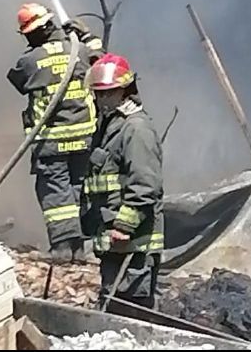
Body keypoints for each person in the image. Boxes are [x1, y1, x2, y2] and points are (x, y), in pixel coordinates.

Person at [7, 2, 103, 263]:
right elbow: (101, 61)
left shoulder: (30, 61)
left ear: (39, 31)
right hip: (84, 137)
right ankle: (79, 249)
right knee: (78, 189)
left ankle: (61, 249)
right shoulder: (80, 50)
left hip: (51, 140)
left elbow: (18, 80)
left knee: (55, 193)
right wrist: (87, 36)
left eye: (29, 34)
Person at [80, 53, 164, 311]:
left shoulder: (136, 128)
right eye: (99, 93)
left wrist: (125, 226)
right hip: (113, 240)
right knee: (112, 303)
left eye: (109, 93)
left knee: (131, 309)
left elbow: (145, 184)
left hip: (134, 242)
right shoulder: (108, 127)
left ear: (126, 90)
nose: (102, 99)